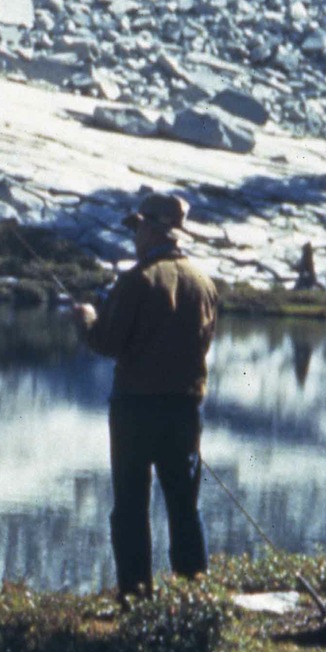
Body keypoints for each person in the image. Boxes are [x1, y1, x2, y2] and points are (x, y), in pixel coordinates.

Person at [73, 191, 220, 601]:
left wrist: (87, 320)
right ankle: (193, 596)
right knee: (185, 505)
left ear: (154, 229)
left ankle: (137, 598)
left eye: (137, 228)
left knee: (131, 508)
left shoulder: (136, 280)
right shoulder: (204, 283)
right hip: (186, 409)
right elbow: (203, 343)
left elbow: (108, 342)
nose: (134, 237)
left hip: (135, 409)